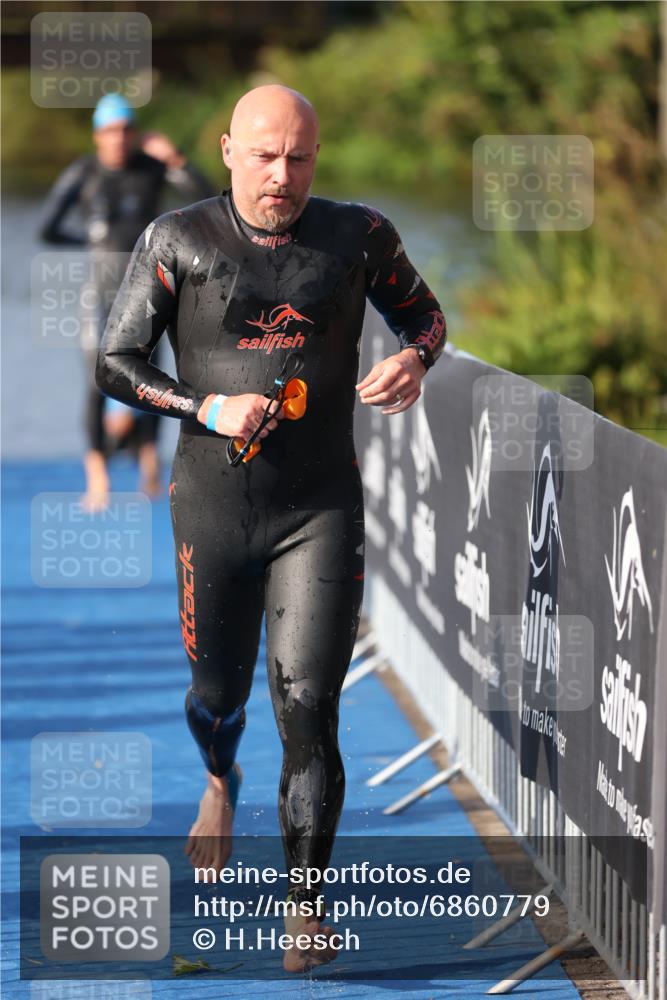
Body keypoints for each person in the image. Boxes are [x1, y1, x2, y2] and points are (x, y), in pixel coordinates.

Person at [96, 84, 446, 972]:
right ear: (225, 150)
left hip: (318, 508)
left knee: (309, 709)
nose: (280, 177)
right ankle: (219, 779)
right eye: (262, 156)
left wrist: (413, 359)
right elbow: (115, 361)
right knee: (218, 697)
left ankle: (304, 909)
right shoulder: (178, 239)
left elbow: (425, 315)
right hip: (212, 507)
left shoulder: (358, 235)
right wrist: (203, 404)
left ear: (315, 159)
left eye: (297, 158)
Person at [39, 93, 215, 511]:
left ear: (135, 135)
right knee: (97, 380)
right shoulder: (83, 173)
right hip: (98, 294)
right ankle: (97, 479)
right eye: (110, 131)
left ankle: (149, 470)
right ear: (98, 135)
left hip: (145, 294)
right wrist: (93, 243)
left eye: (125, 131)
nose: (118, 139)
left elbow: (212, 202)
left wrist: (176, 159)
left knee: (151, 379)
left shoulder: (151, 170)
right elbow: (47, 229)